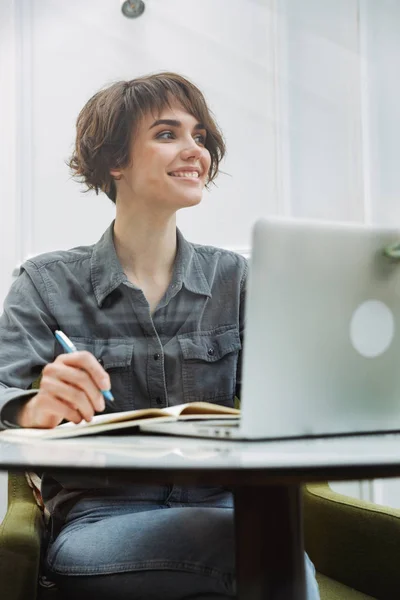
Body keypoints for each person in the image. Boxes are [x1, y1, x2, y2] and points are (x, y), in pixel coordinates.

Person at [0, 72, 320, 600]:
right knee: (261, 549)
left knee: (263, 541)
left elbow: (291, 399)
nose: (195, 150)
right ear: (115, 161)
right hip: (98, 523)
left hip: (223, 505)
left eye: (201, 137)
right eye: (168, 134)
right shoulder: (46, 283)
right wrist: (37, 407)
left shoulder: (236, 280)